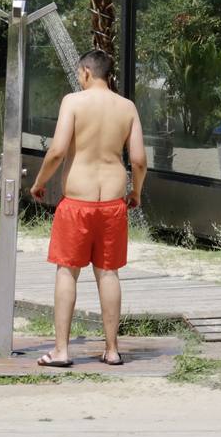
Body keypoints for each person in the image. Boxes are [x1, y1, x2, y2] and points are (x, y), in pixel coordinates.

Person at [30, 49, 147, 367]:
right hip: (112, 202)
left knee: (67, 271)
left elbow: (56, 151)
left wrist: (39, 182)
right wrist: (135, 191)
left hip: (77, 203)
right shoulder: (127, 108)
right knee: (108, 273)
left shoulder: (73, 102)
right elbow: (138, 160)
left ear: (85, 72)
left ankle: (61, 350)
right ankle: (111, 349)